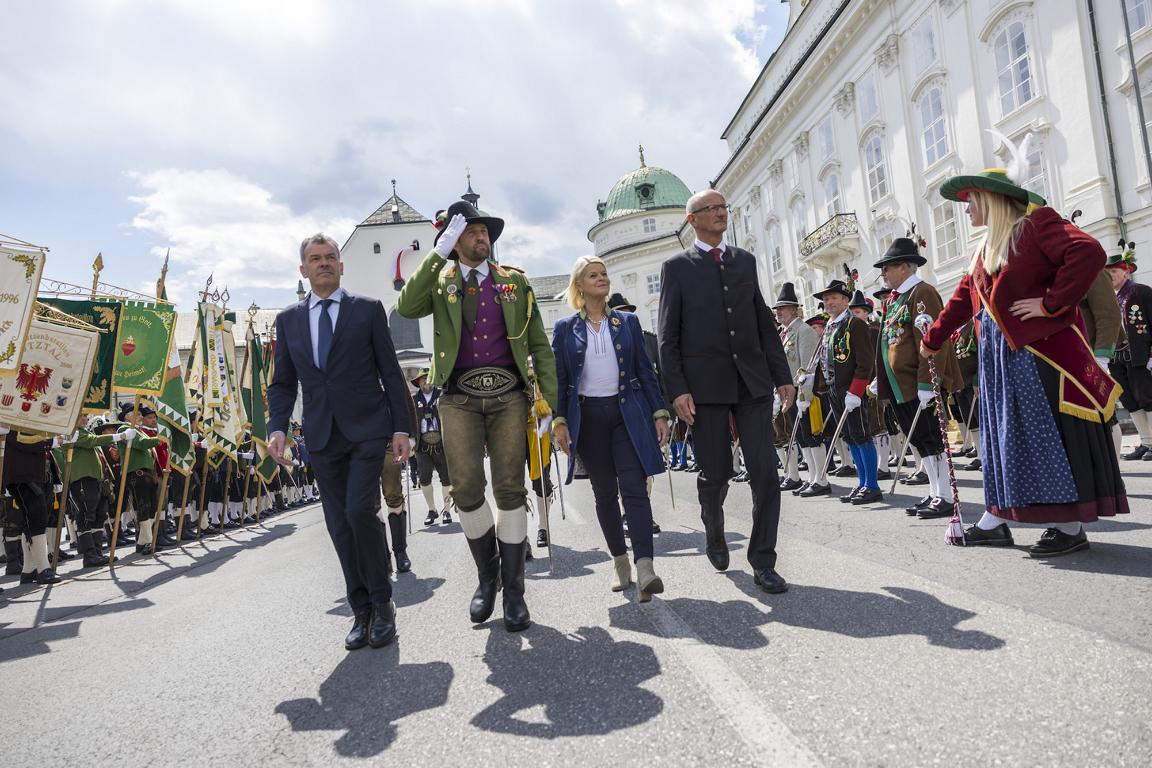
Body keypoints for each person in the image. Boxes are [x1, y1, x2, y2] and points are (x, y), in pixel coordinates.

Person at [923, 162, 1128, 554]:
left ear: (993, 200)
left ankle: (1068, 527)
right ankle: (997, 519)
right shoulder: (986, 248)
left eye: (971, 201)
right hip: (1001, 360)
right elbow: (963, 298)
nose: (967, 210)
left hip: (1038, 357)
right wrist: (933, 339)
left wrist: (1051, 304)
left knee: (1043, 439)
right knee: (1006, 440)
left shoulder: (1035, 226)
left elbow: (1089, 251)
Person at [397, 200, 557, 632]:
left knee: (509, 489)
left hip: (508, 396)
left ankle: (515, 593)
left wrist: (550, 404)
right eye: (470, 230)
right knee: (466, 489)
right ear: (454, 241)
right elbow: (406, 306)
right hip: (458, 397)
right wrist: (438, 253)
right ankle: (489, 577)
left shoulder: (514, 282)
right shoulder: (441, 281)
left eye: (484, 230)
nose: (481, 235)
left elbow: (539, 345)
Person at [268, 232, 412, 650]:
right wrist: (277, 427)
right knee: (338, 524)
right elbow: (283, 383)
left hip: (367, 430)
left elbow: (390, 372)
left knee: (359, 511)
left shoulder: (366, 310)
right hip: (321, 436)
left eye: (330, 256)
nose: (324, 263)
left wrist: (401, 428)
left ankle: (382, 603)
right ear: (304, 269)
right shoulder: (289, 321)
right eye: (315, 258)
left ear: (341, 265)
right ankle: (360, 609)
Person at [658, 189, 794, 594]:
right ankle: (713, 525)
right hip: (706, 388)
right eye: (711, 208)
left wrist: (782, 375)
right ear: (693, 219)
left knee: (765, 472)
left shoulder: (744, 261)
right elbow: (668, 336)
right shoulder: (676, 268)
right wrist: (678, 389)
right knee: (716, 473)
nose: (720, 213)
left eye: (723, 207)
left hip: (751, 382)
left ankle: (763, 561)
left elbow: (762, 322)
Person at [552, 257, 670, 601]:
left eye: (604, 274)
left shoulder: (627, 322)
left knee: (634, 488)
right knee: (604, 493)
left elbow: (645, 371)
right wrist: (560, 421)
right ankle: (620, 563)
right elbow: (559, 380)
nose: (602, 278)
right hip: (588, 419)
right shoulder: (564, 328)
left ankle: (645, 567)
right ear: (579, 285)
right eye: (594, 275)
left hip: (626, 414)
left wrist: (659, 411)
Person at [874, 238, 963, 519]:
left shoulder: (922, 292)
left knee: (933, 439)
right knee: (921, 441)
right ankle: (935, 491)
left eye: (887, 268)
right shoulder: (896, 298)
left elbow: (933, 340)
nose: (883, 274)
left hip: (918, 383)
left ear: (904, 267)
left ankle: (945, 495)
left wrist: (928, 383)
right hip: (901, 386)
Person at [810, 279, 880, 505]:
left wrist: (856, 391)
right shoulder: (830, 326)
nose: (828, 302)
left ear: (845, 300)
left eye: (833, 298)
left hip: (851, 390)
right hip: (834, 389)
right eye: (826, 299)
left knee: (862, 435)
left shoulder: (854, 324)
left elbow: (865, 362)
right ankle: (862, 482)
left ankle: (872, 485)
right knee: (850, 437)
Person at [772, 282, 823, 494]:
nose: (778, 312)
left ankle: (821, 479)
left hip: (802, 393)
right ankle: (812, 477)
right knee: (801, 437)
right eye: (777, 309)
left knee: (812, 436)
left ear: (793, 309)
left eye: (782, 308)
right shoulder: (785, 333)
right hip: (789, 394)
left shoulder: (804, 330)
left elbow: (808, 367)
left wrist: (804, 396)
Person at [1103, 243, 1152, 459]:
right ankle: (1146, 442)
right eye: (1107, 273)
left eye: (1114, 271)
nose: (1110, 276)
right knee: (1130, 400)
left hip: (1140, 356)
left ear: (1126, 271)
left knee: (1147, 397)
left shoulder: (1141, 292)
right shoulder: (1110, 297)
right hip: (1117, 358)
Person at [2, 428, 63, 584]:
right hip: (24, 477)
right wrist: (53, 441)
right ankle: (43, 569)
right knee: (37, 520)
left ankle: (29, 569)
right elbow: (24, 441)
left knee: (33, 522)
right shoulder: (14, 423)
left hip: (36, 476)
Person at [410, 370, 453, 526]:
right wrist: (410, 440)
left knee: (446, 478)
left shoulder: (442, 396)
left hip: (441, 443)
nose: (426, 382)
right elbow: (409, 420)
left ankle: (447, 510)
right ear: (418, 382)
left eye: (428, 379)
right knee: (424, 479)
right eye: (422, 379)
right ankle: (432, 509)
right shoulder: (413, 400)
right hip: (422, 444)